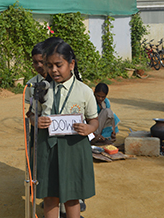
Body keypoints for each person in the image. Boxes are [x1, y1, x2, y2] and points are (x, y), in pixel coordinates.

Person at [29, 39, 98, 218]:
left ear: (71, 64)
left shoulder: (84, 91)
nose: (54, 70)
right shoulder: (42, 89)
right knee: (50, 195)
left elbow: (94, 120)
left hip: (74, 148)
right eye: (49, 66)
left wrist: (88, 128)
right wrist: (35, 121)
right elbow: (31, 113)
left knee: (72, 196)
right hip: (48, 148)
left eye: (59, 65)